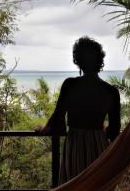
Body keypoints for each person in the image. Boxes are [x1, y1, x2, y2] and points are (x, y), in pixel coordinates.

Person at [35, 36, 121, 185]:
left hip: (75, 147)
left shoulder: (70, 85)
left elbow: (58, 121)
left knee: (74, 186)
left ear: (78, 61)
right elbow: (114, 130)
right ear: (100, 61)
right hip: (100, 149)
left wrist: (44, 128)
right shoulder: (111, 91)